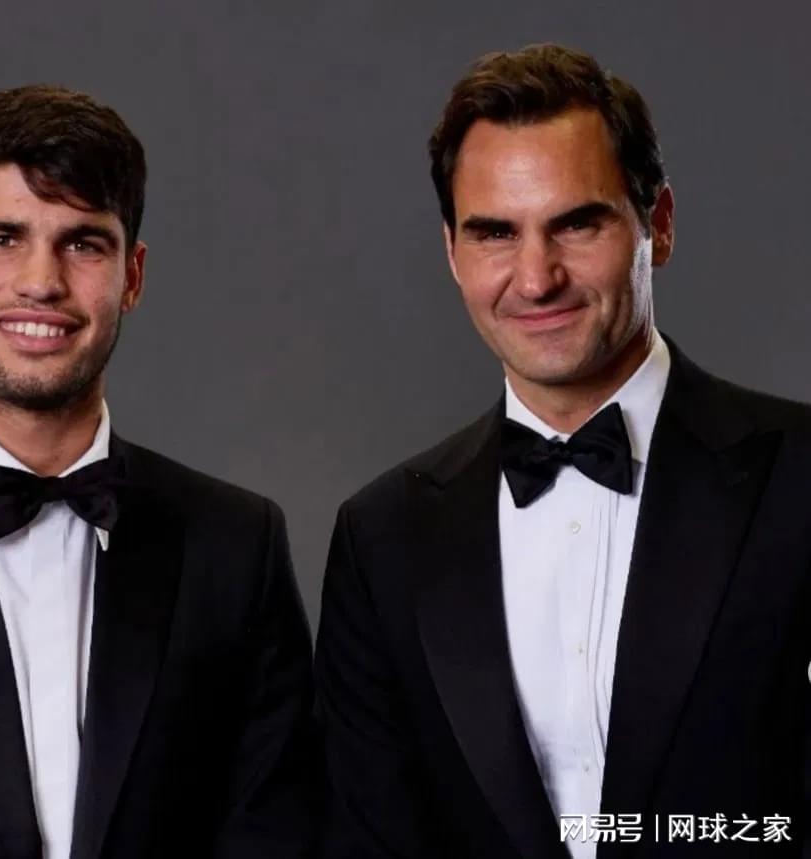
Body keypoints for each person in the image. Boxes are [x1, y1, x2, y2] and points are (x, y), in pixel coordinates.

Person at [315, 44, 811, 858]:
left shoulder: (799, 476)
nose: (536, 277)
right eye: (494, 233)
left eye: (577, 224)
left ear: (659, 223)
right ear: (452, 253)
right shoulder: (382, 538)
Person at [0, 85, 315, 859]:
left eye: (83, 243)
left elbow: (274, 834)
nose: (41, 280)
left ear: (132, 276)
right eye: (1, 238)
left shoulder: (237, 546)